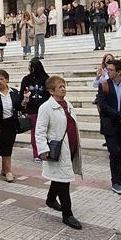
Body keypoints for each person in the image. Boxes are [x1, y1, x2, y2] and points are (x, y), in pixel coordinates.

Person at [35, 75, 83, 229]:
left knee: (60, 177)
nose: (63, 89)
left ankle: (50, 199)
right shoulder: (46, 107)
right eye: (59, 87)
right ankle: (67, 214)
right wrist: (43, 149)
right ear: (51, 91)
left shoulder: (67, 105)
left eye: (64, 86)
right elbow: (40, 130)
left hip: (71, 148)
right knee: (64, 181)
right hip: (58, 150)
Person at [96, 60, 121, 194]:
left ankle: (119, 180)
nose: (108, 72)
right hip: (110, 124)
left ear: (119, 72)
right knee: (114, 152)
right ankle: (115, 182)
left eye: (111, 70)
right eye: (107, 69)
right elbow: (103, 105)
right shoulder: (104, 85)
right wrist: (118, 115)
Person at [0, 70, 22, 182]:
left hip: (11, 123)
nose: (0, 81)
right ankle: (5, 170)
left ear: (7, 80)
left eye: (2, 79)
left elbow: (19, 107)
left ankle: (8, 171)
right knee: (1, 147)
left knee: (8, 147)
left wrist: (24, 102)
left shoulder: (14, 92)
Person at [20, 57, 50, 162]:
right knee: (35, 132)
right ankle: (37, 153)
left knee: (45, 131)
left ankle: (46, 151)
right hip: (32, 110)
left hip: (44, 110)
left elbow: (49, 93)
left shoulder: (46, 79)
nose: (29, 68)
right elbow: (22, 93)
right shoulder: (26, 79)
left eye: (31, 66)